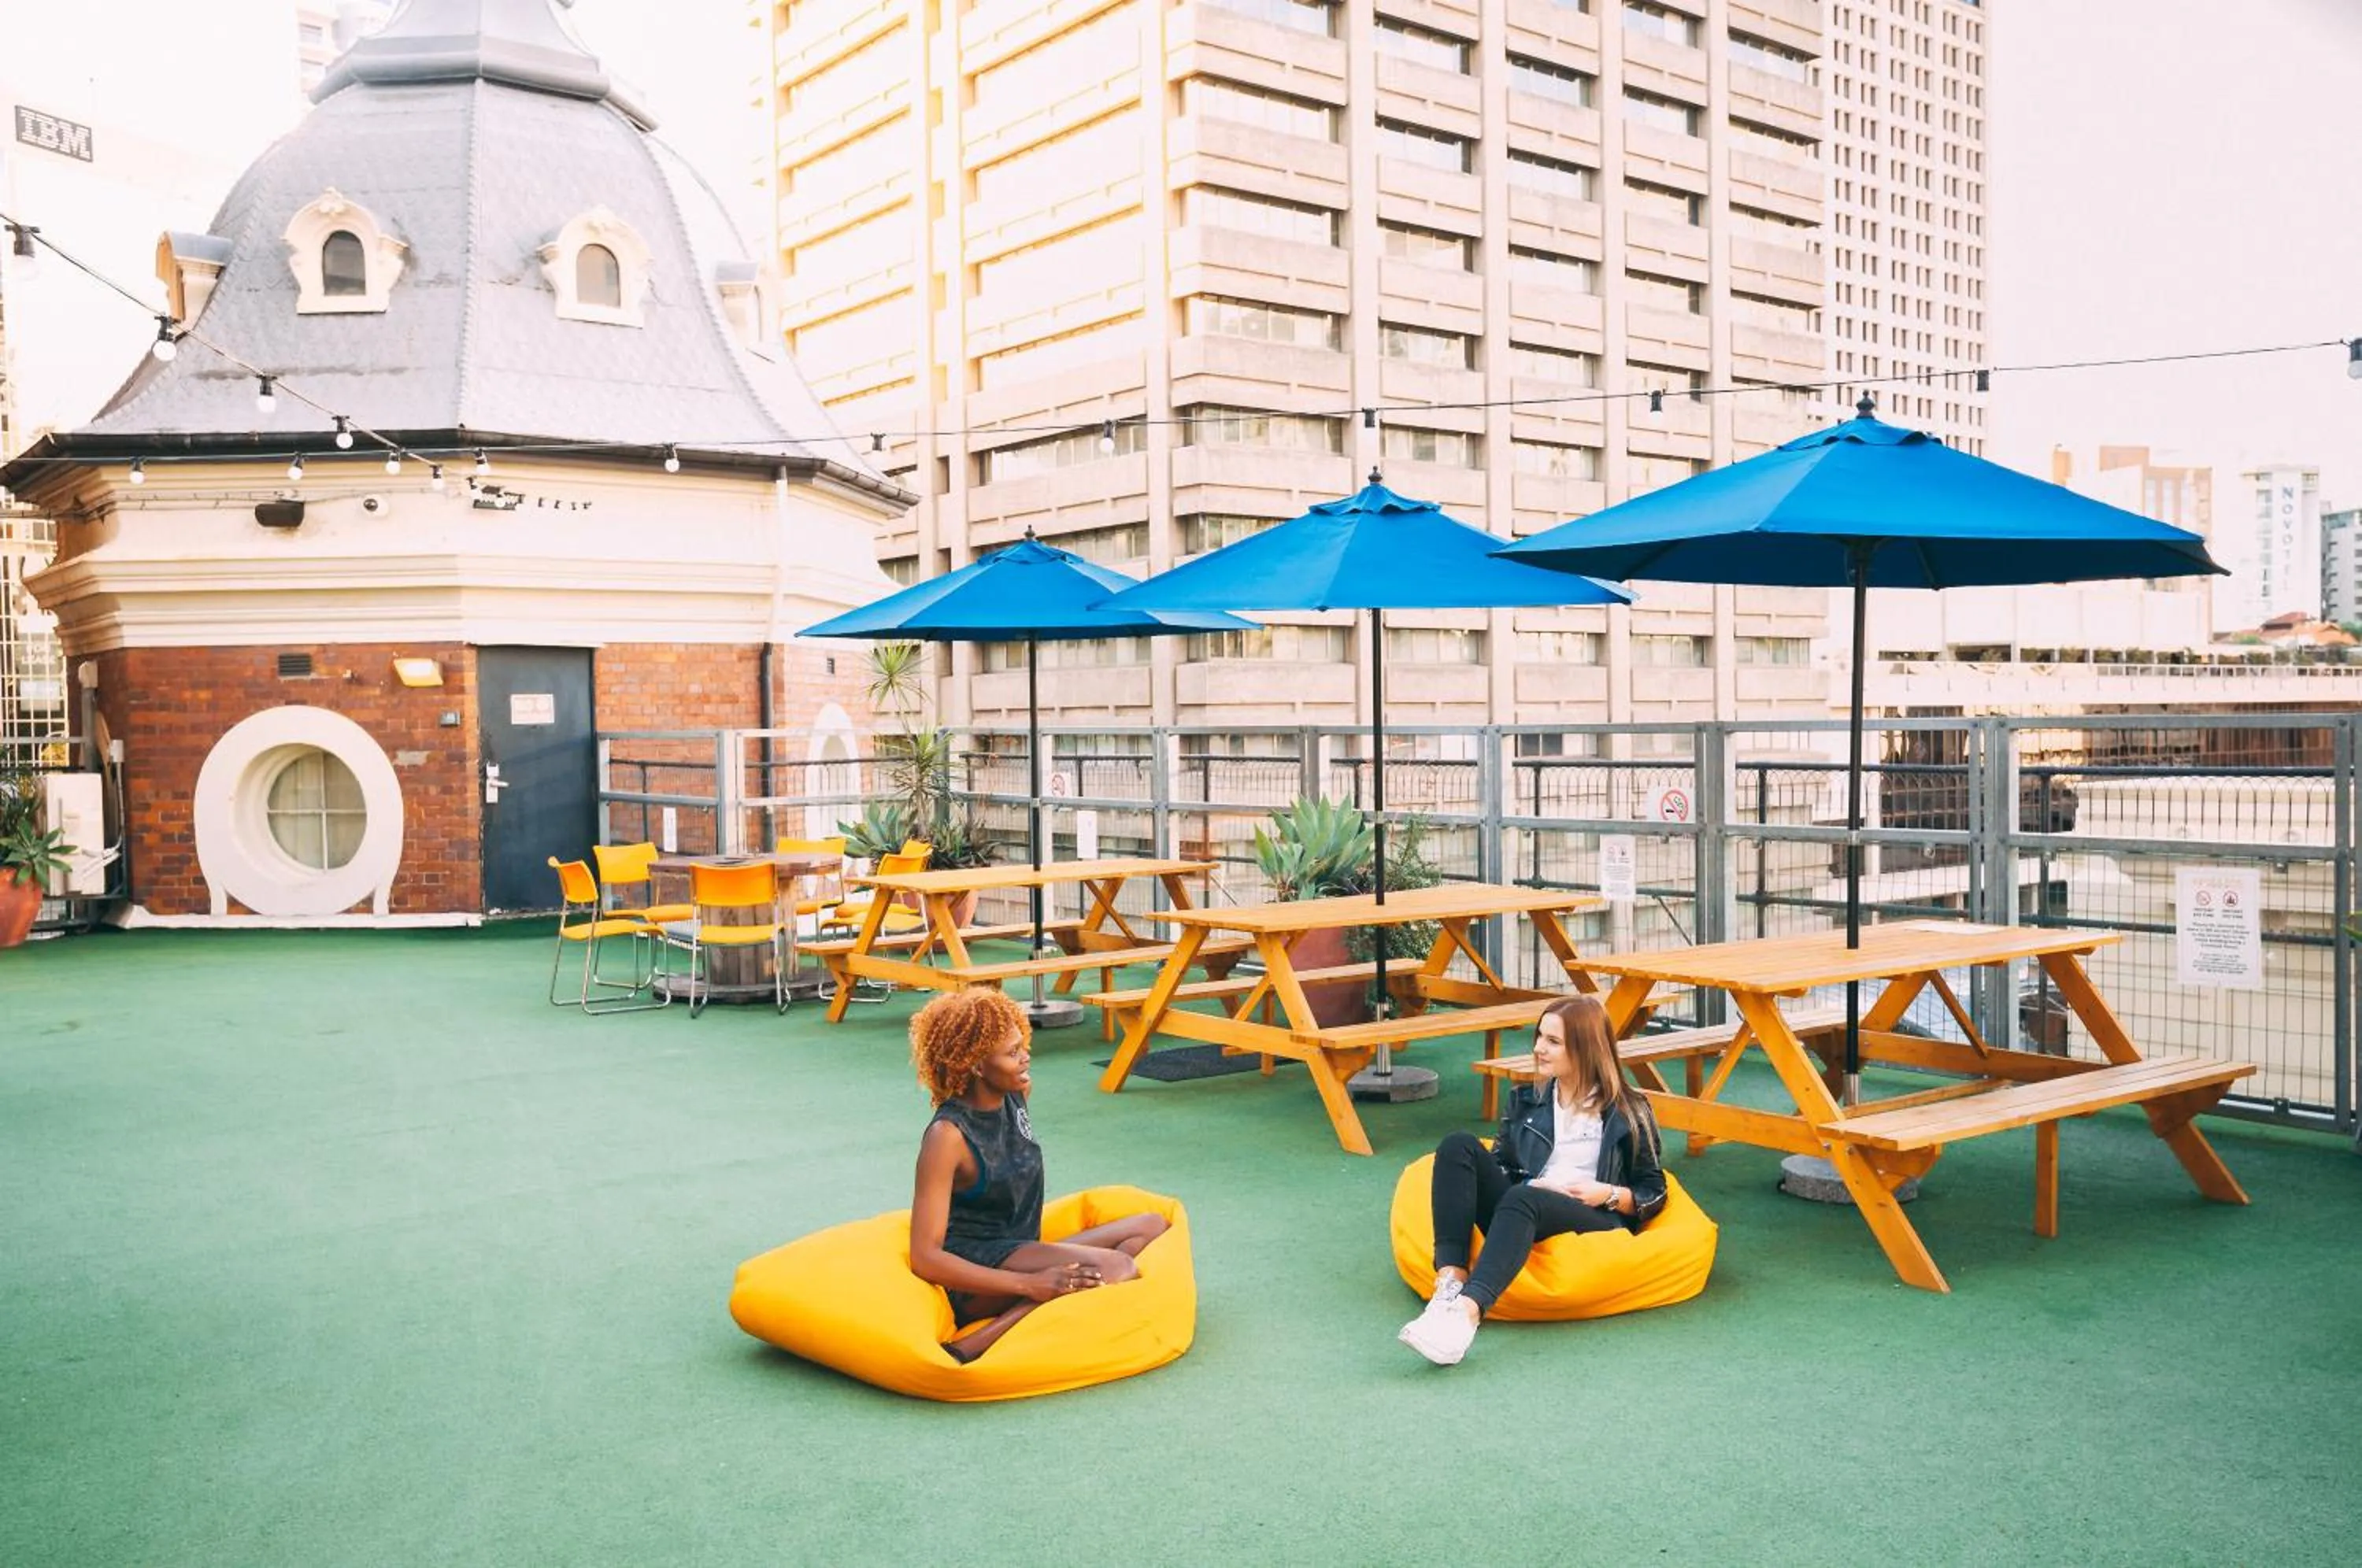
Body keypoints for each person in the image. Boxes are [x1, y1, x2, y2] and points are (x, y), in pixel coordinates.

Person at [1398, 993, 1666, 1366]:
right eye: (1539, 1036)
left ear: (1585, 1048)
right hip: (1522, 1210)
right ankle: (1450, 1284)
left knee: (1524, 1199)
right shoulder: (1526, 1100)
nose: (1538, 1048)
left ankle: (1466, 1316)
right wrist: (1516, 1184)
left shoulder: (1629, 1111)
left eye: (1553, 1041)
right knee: (1457, 1145)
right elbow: (1502, 1163)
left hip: (1591, 1216)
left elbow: (1653, 1192)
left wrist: (1607, 1194)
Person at [904, 988, 1168, 1363]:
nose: (1026, 1056)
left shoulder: (1016, 1096)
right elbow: (925, 1258)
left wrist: (1049, 1271)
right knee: (1119, 1266)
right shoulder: (947, 1137)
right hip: (978, 1272)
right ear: (976, 1065)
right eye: (1012, 1053)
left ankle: (1059, 1287)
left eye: (1022, 1043)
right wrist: (1029, 1283)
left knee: (1150, 1225)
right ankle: (980, 1341)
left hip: (1022, 1249)